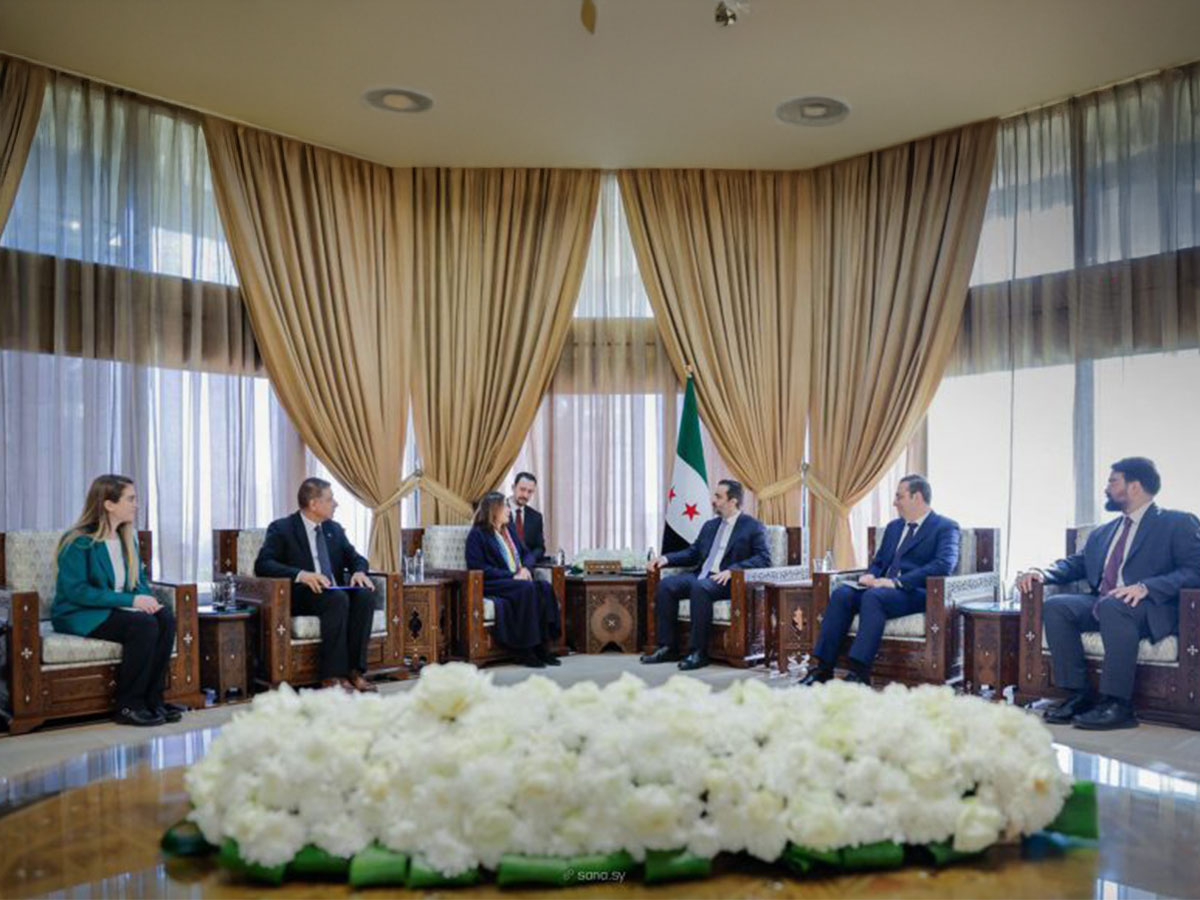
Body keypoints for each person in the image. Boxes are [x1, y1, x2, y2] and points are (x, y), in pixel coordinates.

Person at [1017, 457, 1200, 730]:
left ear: (1134, 486)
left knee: (1113, 606)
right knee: (1057, 606)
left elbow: (1194, 569)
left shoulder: (1177, 523)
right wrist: (1041, 572)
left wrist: (1146, 587)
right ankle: (1079, 694)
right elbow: (1077, 563)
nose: (1107, 488)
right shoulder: (1103, 532)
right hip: (1104, 603)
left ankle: (1118, 704)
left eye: (1113, 481)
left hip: (1149, 607)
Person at [801, 475, 960, 686]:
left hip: (918, 593)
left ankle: (859, 673)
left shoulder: (945, 527)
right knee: (842, 595)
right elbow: (880, 561)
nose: (895, 502)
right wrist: (870, 575)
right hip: (882, 589)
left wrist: (897, 582)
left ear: (917, 497)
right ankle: (822, 668)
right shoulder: (894, 527)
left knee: (873, 598)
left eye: (899, 497)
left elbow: (943, 564)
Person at [53, 475, 181, 727]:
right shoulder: (78, 541)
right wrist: (132, 600)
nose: (136, 505)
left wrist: (147, 600)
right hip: (80, 613)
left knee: (164, 617)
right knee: (143, 625)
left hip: (115, 608)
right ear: (109, 504)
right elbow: (77, 591)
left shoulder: (127, 538)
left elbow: (138, 581)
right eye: (130, 499)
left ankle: (153, 700)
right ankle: (128, 705)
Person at [255, 478, 378, 692]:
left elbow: (356, 558)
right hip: (302, 594)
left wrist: (359, 571)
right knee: (337, 599)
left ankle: (355, 671)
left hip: (333, 591)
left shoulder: (334, 529)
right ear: (313, 504)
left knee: (365, 595)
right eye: (330, 499)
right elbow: (263, 564)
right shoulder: (282, 528)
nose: (335, 504)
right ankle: (332, 676)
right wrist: (301, 575)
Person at [640, 479, 770, 671]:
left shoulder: (753, 526)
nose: (713, 500)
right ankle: (668, 647)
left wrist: (734, 570)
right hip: (702, 575)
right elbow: (693, 553)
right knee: (666, 586)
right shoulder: (710, 525)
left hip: (728, 581)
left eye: (718, 497)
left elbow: (764, 558)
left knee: (699, 588)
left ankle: (698, 652)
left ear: (733, 501)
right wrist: (665, 559)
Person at [465, 491, 562, 667]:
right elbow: (478, 567)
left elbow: (527, 553)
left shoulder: (508, 530)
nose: (509, 510)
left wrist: (524, 568)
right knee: (527, 588)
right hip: (492, 582)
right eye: (505, 507)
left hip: (514, 578)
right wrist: (512, 575)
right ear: (494, 510)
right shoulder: (477, 535)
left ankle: (543, 647)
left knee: (544, 587)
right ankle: (526, 650)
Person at [510, 472, 548, 564]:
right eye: (522, 489)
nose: (525, 495)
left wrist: (531, 558)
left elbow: (540, 547)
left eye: (530, 491)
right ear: (513, 488)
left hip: (527, 566)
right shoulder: (499, 510)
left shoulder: (536, 517)